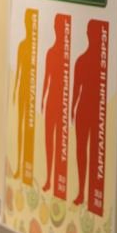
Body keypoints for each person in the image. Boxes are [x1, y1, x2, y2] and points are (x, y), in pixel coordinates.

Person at [71, 20, 105, 209]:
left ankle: (89, 194)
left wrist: (72, 109)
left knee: (91, 151)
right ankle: (81, 192)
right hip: (84, 109)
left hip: (92, 109)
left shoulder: (99, 64)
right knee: (82, 150)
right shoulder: (82, 61)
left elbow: (77, 90)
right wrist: (72, 110)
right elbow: (76, 89)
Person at [41, 14, 70, 197]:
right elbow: (47, 79)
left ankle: (58, 182)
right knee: (49, 140)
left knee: (59, 142)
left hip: (60, 102)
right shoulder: (51, 53)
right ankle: (49, 178)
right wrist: (42, 99)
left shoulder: (65, 56)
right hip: (51, 101)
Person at [10, 9, 38, 182]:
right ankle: (19, 168)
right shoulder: (22, 46)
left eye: (29, 23)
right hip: (22, 90)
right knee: (20, 127)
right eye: (26, 23)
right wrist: (14, 90)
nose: (27, 26)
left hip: (31, 91)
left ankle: (28, 170)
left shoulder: (35, 48)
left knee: (28, 129)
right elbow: (19, 72)